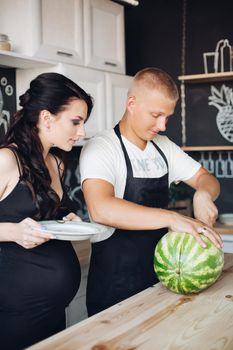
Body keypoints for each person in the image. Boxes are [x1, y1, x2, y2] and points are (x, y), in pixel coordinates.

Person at [80, 67, 223, 317]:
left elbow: (206, 178)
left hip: (163, 282)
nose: (163, 126)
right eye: (156, 115)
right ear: (132, 103)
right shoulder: (102, 147)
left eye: (167, 117)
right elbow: (101, 209)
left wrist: (203, 194)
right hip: (115, 290)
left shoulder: (163, 147)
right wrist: (172, 218)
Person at [0, 72, 93, 349]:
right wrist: (13, 232)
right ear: (46, 117)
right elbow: (16, 224)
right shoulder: (6, 159)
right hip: (14, 313)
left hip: (53, 311)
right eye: (76, 122)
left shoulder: (56, 163)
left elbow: (43, 216)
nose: (83, 132)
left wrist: (66, 220)